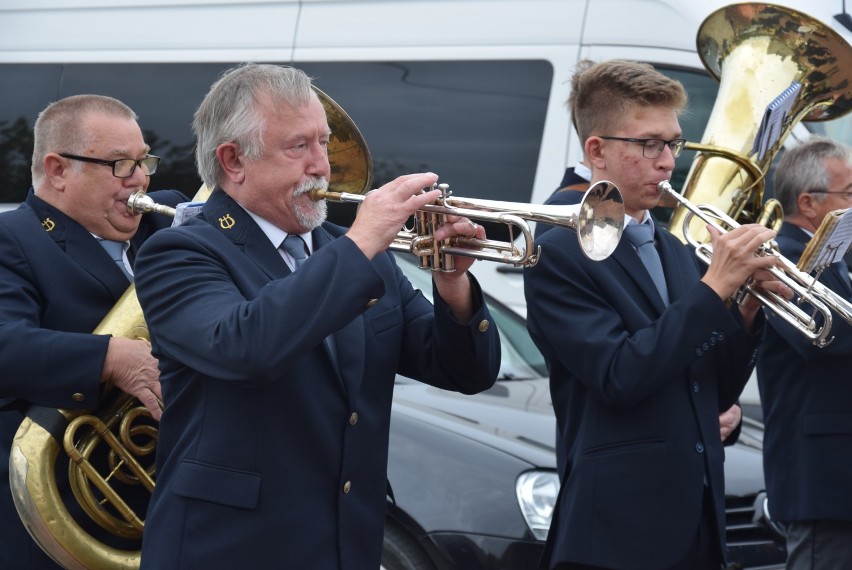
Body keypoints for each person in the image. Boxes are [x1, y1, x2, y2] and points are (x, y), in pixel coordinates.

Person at [132, 62, 501, 569]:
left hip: (346, 543)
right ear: (233, 160)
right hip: (228, 548)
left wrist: (452, 280)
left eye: (324, 144)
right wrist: (361, 241)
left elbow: (464, 372)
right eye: (298, 147)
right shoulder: (182, 251)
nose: (322, 165)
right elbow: (247, 349)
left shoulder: (351, 254)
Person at [524, 59, 790, 570]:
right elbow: (620, 374)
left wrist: (750, 308)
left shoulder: (674, 248)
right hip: (617, 533)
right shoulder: (559, 252)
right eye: (649, 144)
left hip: (698, 525)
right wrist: (715, 288)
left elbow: (712, 384)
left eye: (673, 143)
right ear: (596, 151)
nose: (668, 162)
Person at [0, 94, 187, 568]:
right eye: (121, 165)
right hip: (60, 517)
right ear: (59, 170)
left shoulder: (160, 226)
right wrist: (109, 358)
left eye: (144, 161)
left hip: (167, 503)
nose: (141, 179)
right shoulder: (13, 238)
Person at [756, 137, 852, 569]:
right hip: (822, 473)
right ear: (809, 203)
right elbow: (826, 336)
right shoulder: (782, 259)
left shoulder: (835, 256)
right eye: (849, 193)